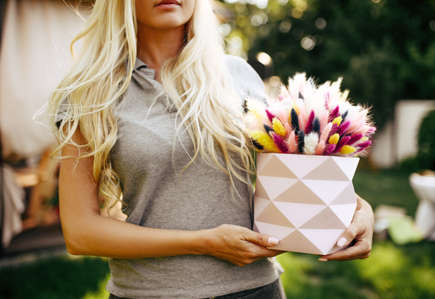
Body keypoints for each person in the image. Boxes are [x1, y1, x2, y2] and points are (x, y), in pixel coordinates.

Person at [47, 0, 375, 298]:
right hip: (149, 294)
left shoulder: (237, 75)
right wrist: (206, 242)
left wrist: (357, 209)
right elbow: (80, 232)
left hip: (257, 289)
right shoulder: (89, 93)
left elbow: (287, 175)